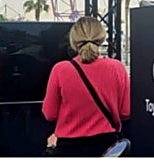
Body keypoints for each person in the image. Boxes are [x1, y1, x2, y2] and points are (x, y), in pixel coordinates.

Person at [41, 16, 131, 157]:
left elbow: (49, 114)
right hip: (108, 148)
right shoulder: (117, 68)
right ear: (101, 37)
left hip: (69, 148)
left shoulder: (60, 70)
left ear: (73, 40)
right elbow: (125, 112)